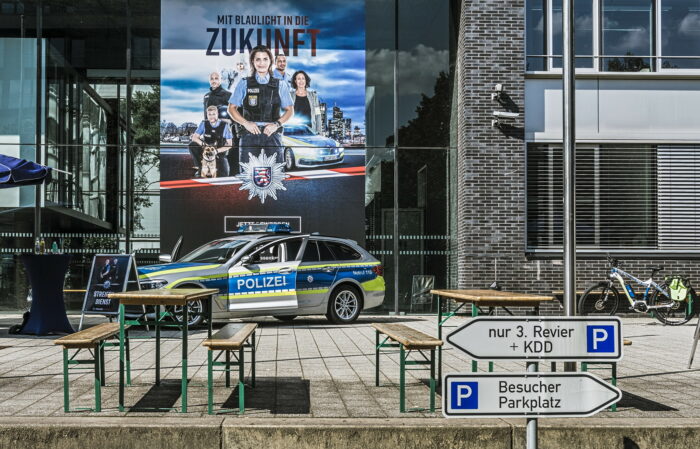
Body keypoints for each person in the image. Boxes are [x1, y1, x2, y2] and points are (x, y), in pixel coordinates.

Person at [228, 45, 294, 167]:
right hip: (249, 135)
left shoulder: (281, 85)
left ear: (271, 62)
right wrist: (245, 123)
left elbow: (290, 111)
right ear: (252, 62)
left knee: (275, 175)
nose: (261, 63)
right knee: (249, 176)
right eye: (257, 59)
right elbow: (231, 109)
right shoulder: (244, 83)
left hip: (272, 135)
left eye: (265, 59)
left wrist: (277, 124)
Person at [189, 105, 233, 177]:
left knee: (224, 175)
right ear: (207, 115)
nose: (211, 116)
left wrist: (216, 151)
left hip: (219, 149)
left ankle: (219, 165)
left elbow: (229, 144)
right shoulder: (204, 123)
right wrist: (204, 145)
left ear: (217, 114)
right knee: (192, 145)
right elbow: (194, 137)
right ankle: (200, 168)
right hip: (206, 148)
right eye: (209, 114)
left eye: (214, 114)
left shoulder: (225, 125)